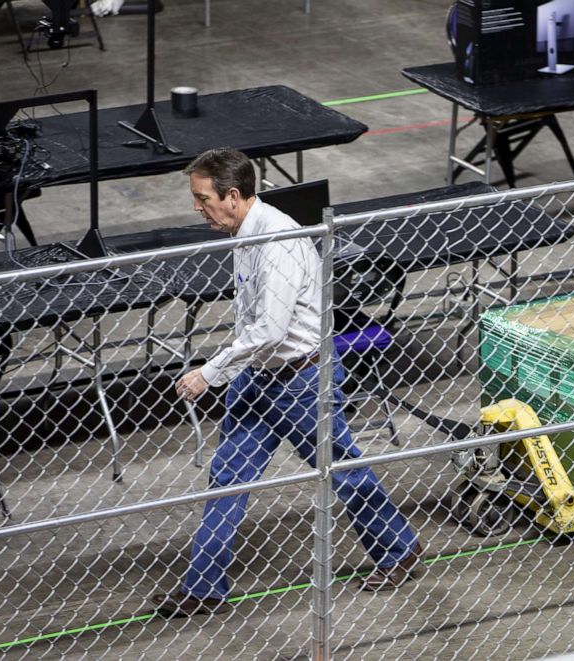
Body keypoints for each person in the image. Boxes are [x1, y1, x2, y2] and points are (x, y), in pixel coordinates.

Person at [153, 148, 422, 618]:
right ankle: (205, 587)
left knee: (341, 467)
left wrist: (209, 372)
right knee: (226, 480)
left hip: (301, 381)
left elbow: (270, 330)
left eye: (202, 198)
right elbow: (257, 327)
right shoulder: (244, 231)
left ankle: (398, 548)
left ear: (232, 196)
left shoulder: (274, 241)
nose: (197, 208)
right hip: (259, 377)